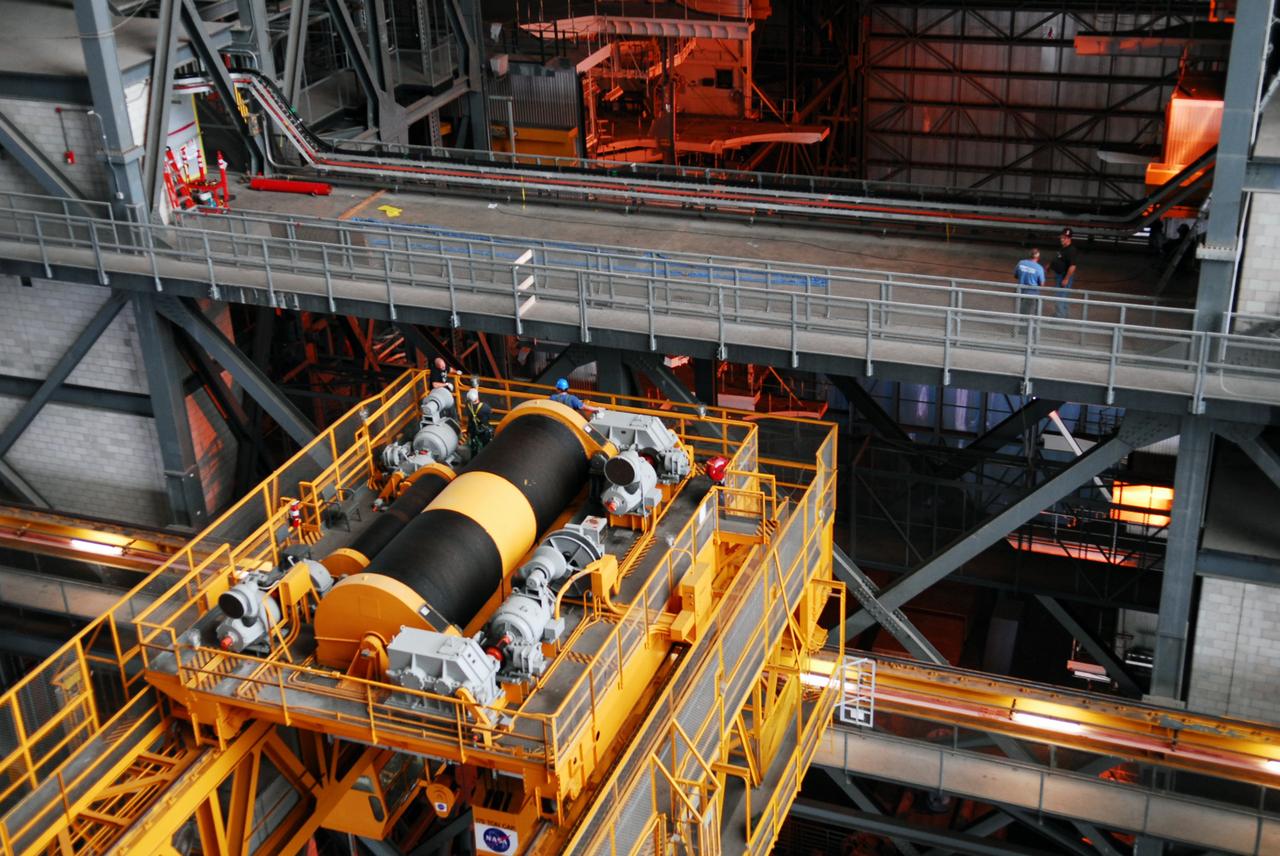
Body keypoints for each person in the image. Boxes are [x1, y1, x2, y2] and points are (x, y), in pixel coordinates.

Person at [1049, 228, 1078, 319]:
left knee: (1061, 296)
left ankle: (1060, 317)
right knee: (1061, 295)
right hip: (1059, 276)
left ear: (1069, 238)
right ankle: (1062, 314)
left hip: (1063, 276)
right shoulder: (1063, 248)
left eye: (1064, 237)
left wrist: (1066, 278)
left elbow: (1072, 266)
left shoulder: (1071, 250)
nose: (1061, 239)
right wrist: (1050, 266)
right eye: (1061, 237)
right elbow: (1058, 259)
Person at [1013, 248, 1045, 315]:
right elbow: (1042, 284)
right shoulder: (1039, 268)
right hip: (1032, 294)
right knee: (1029, 314)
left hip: (1020, 291)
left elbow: (1015, 275)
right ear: (1038, 257)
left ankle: (1018, 324)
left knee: (1019, 311)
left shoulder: (1021, 263)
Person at [464, 387, 493, 455]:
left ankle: (474, 458)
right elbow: (489, 415)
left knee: (474, 446)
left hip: (472, 428)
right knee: (486, 446)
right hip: (483, 429)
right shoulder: (485, 407)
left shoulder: (468, 406)